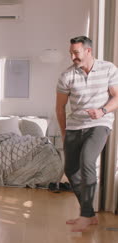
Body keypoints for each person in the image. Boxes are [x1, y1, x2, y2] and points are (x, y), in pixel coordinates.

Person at [56, 35, 118, 232]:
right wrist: (64, 133)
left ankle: (84, 215)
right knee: (71, 170)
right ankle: (89, 214)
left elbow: (117, 96)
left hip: (100, 122)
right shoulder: (67, 76)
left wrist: (103, 111)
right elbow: (60, 108)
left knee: (87, 160)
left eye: (76, 52)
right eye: (71, 53)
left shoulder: (108, 68)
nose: (73, 56)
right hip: (75, 126)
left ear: (88, 51)